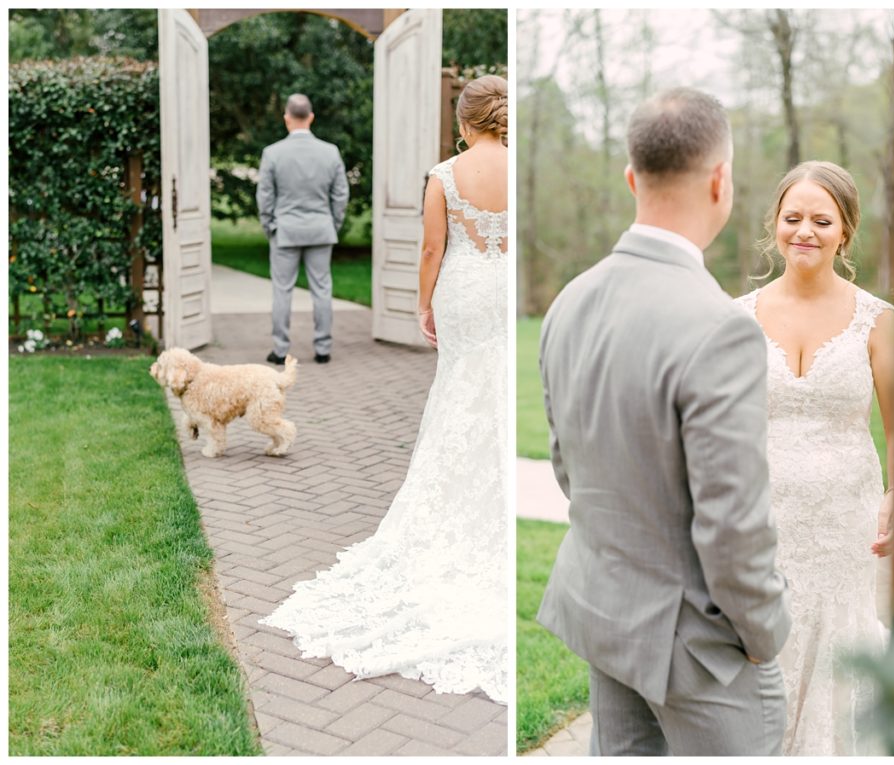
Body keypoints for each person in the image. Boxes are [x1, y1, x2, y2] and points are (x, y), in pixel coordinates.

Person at [537, 87, 791, 756]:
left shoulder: (570, 300)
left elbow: (568, 463)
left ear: (631, 177)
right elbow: (733, 523)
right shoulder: (720, 328)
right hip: (701, 651)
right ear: (721, 179)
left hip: (606, 608)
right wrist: (763, 634)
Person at [261, 75, 508, 704]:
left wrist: (423, 307)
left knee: (457, 390)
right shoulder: (517, 168)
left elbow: (433, 248)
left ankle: (290, 344)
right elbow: (343, 193)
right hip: (503, 291)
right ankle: (322, 340)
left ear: (463, 119)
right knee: (499, 392)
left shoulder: (446, 174)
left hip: (464, 293)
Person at [734, 160, 894, 755]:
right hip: (761, 521)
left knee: (833, 648)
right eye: (792, 217)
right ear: (774, 223)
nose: (805, 231)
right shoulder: (736, 317)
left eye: (821, 220)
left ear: (845, 231)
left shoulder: (879, 323)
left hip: (842, 525)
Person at [256, 93, 349, 365]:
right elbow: (340, 194)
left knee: (282, 290)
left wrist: (269, 226)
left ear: (286, 118)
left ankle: (281, 349)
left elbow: (265, 196)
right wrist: (333, 223)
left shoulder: (272, 153)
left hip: (284, 230)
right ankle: (323, 348)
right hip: (321, 228)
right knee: (322, 289)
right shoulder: (330, 152)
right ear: (311, 117)